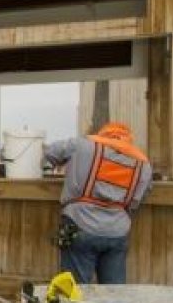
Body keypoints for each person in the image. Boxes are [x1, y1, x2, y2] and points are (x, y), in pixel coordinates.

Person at [43, 122, 153, 285]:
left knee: (75, 291)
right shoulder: (143, 165)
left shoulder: (83, 146)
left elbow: (51, 153)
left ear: (102, 135)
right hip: (117, 232)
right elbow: (137, 200)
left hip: (79, 225)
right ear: (128, 141)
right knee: (114, 295)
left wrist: (47, 168)